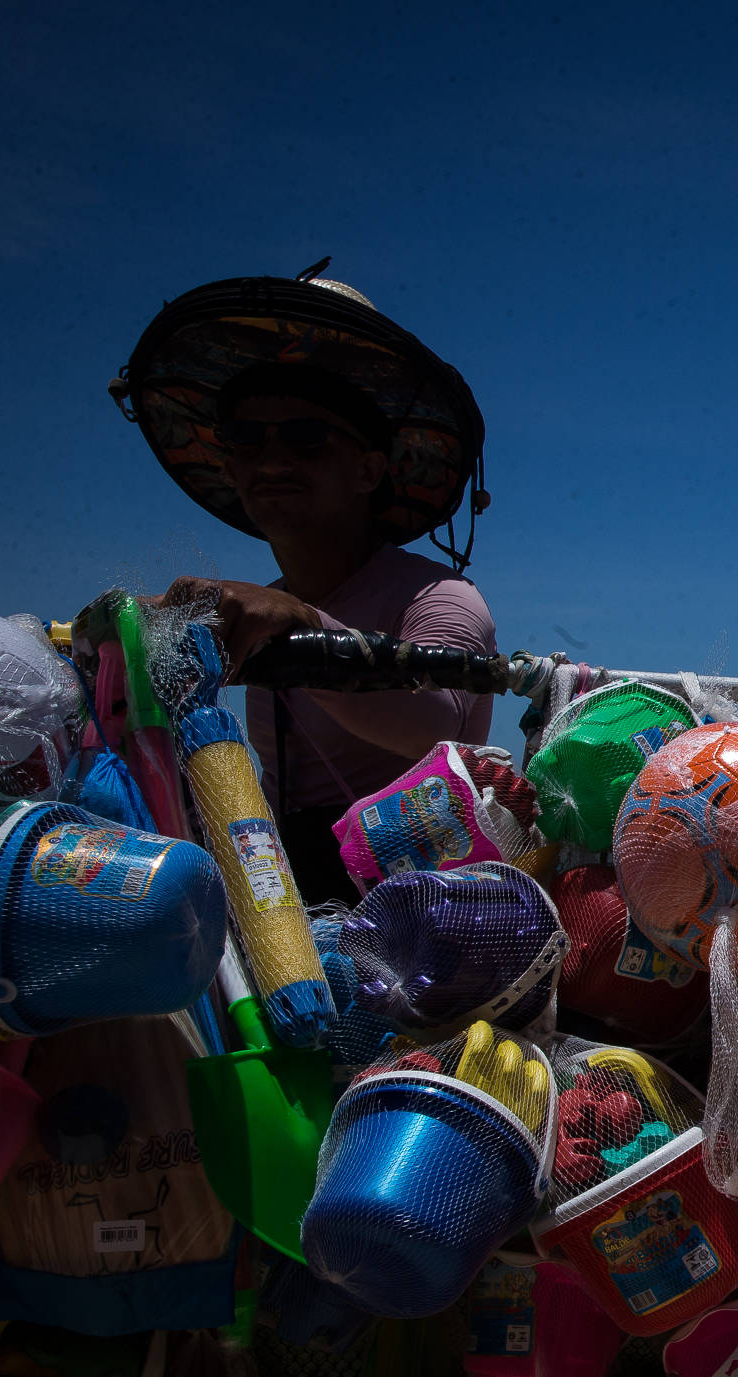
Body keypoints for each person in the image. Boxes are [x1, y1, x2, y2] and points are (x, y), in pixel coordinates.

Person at [127, 271, 496, 905]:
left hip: (417, 903)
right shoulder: (255, 610)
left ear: (369, 469)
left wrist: (305, 625)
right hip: (286, 900)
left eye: (306, 440)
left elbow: (434, 731)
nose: (272, 462)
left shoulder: (437, 598)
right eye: (247, 440)